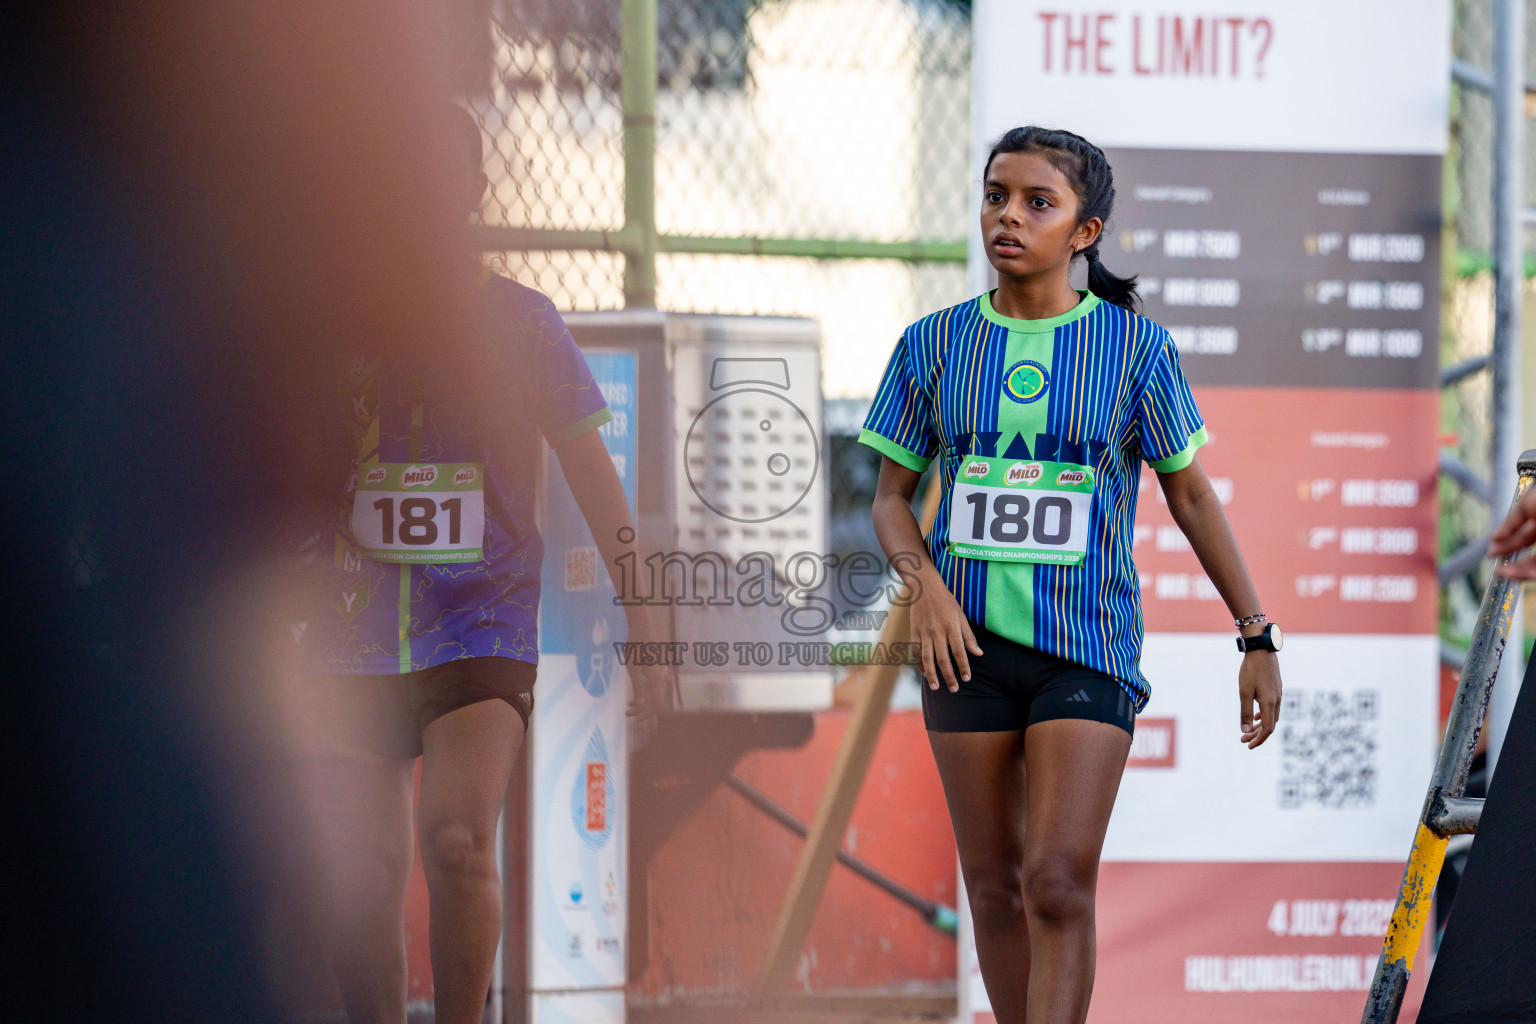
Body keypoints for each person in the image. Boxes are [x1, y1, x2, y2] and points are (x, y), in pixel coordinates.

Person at [859, 127, 1283, 1024]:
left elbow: (1196, 499)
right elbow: (891, 499)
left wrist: (1256, 635)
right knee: (996, 891)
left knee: (1055, 880)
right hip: (961, 650)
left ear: (1085, 232)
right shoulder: (931, 344)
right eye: (995, 196)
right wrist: (923, 587)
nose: (1007, 217)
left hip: (1084, 654)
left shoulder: (1138, 352)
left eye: (1036, 203)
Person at [297, 107, 670, 1024]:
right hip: (347, 631)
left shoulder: (524, 323)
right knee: (363, 867)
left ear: (473, 191)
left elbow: (598, 483)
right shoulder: (320, 326)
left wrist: (648, 628)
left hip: (482, 621)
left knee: (458, 841)